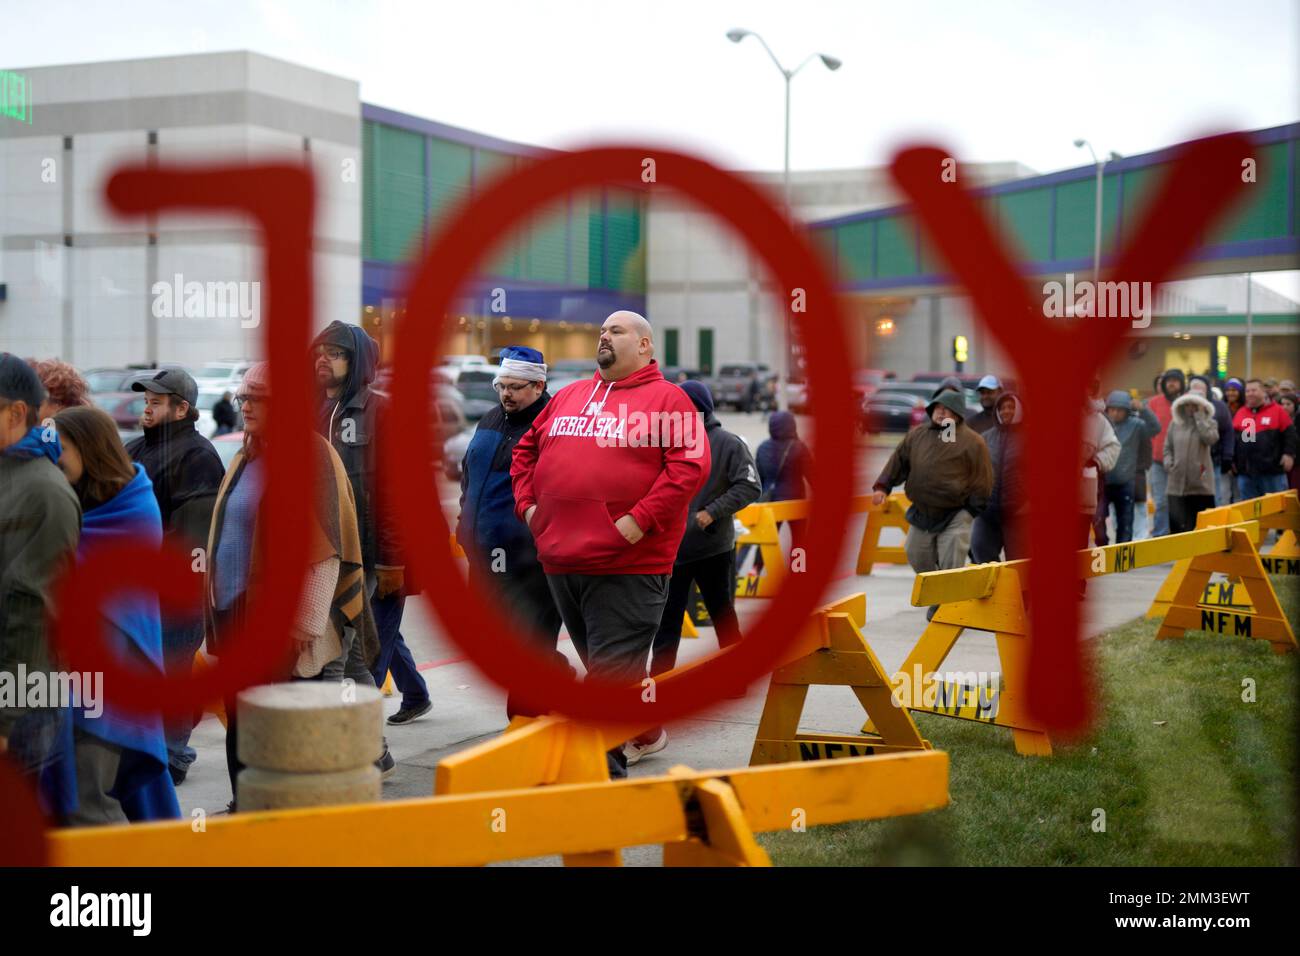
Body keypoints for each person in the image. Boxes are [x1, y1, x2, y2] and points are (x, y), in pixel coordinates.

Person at [511, 311, 709, 778]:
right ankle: (643, 729)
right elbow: (525, 452)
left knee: (607, 679)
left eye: (616, 330)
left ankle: (600, 783)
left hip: (629, 565)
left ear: (644, 346)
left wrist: (637, 522)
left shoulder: (668, 399)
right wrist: (530, 510)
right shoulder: (569, 396)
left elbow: (689, 467)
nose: (604, 335)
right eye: (601, 330)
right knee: (610, 672)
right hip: (561, 559)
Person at [205, 362, 378, 810]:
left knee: (277, 725)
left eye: (255, 397)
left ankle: (282, 817)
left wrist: (304, 627)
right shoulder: (249, 454)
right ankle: (246, 803)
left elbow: (327, 548)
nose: (244, 405)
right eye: (243, 396)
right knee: (241, 719)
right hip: (237, 616)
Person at [45, 406, 180, 825]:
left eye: (61, 449)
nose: (52, 458)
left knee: (91, 808)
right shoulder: (77, 505)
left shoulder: (132, 511)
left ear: (90, 449)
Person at [627, 379, 761, 765]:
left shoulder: (728, 443)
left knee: (722, 614)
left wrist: (711, 512)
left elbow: (751, 486)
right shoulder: (662, 442)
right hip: (668, 552)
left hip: (712, 548)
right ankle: (661, 686)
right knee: (664, 623)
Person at [312, 321, 425, 746]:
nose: (324, 358)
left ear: (356, 360)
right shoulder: (313, 409)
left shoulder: (385, 411)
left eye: (336, 352)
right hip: (328, 550)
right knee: (362, 641)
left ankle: (360, 747)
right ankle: (413, 695)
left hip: (373, 552)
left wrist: (393, 560)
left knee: (362, 651)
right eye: (321, 351)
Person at [123, 367, 225, 785]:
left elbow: (194, 536)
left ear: (182, 408)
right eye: (146, 400)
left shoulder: (197, 456)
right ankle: (149, 748)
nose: (147, 406)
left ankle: (174, 756)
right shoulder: (135, 448)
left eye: (157, 401)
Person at [456, 346, 569, 720]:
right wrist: (463, 523)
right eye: (501, 385)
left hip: (528, 561)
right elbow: (469, 475)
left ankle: (524, 725)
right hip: (483, 553)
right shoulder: (490, 419)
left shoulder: (554, 426)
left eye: (516, 387)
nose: (506, 394)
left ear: (539, 386)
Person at [0, 355, 81, 782]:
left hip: (23, 702)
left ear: (16, 413)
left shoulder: (45, 492)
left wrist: (7, 720)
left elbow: (35, 611)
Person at [872, 391, 993, 617]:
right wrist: (882, 487)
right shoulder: (917, 435)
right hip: (922, 510)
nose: (940, 412)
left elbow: (983, 479)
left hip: (957, 512)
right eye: (937, 408)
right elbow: (898, 461)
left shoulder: (973, 441)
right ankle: (940, 594)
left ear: (957, 414)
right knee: (915, 553)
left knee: (952, 559)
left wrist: (971, 510)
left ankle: (947, 608)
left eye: (946, 409)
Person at [970, 392, 1026, 562]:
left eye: (1011, 407)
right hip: (988, 511)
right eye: (1002, 408)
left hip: (1018, 513)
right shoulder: (986, 438)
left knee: (1019, 563)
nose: (1006, 411)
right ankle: (995, 588)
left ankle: (1019, 590)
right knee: (979, 550)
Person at [1099, 392, 1161, 543]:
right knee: (1099, 519)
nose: (1115, 413)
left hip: (1126, 480)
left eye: (1119, 410)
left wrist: (1143, 409)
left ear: (1127, 410)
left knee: (1125, 521)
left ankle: (1123, 555)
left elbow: (1155, 428)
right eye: (1112, 409)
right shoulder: (1102, 423)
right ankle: (1103, 550)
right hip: (1104, 479)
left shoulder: (1136, 425)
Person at [755, 410, 814, 553]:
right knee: (799, 540)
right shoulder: (799, 447)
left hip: (771, 502)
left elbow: (759, 478)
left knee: (766, 539)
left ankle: (756, 570)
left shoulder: (763, 448)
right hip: (796, 502)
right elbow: (812, 477)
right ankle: (798, 569)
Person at [1163, 392, 1219, 534]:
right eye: (1187, 405)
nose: (1190, 408)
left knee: (1200, 528)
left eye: (1194, 405)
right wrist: (1169, 463)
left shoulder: (1210, 423)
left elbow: (1211, 439)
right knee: (1177, 527)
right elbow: (1167, 447)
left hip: (1201, 484)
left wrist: (1199, 418)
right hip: (1176, 484)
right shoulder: (1175, 425)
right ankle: (1177, 555)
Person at [1233, 378, 1297, 500]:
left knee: (1275, 510)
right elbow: (1239, 440)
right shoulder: (1242, 413)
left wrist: (1289, 454)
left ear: (1263, 392)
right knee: (1248, 513)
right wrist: (1233, 460)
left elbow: (1290, 435)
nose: (1250, 393)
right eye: (1247, 391)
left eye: (1254, 390)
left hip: (1272, 472)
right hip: (1247, 473)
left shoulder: (1277, 411)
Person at [1146, 368, 1185, 536]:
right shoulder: (1154, 403)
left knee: (1179, 501)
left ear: (1181, 384)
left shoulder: (1186, 402)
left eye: (1175, 380)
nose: (1171, 383)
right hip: (1157, 461)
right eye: (1168, 380)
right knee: (1161, 501)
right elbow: (1145, 428)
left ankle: (1177, 535)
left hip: (1181, 462)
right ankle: (1160, 535)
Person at [1188, 375, 1235, 508]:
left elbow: (1228, 432)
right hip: (1190, 462)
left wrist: (1228, 455)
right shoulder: (1183, 408)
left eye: (1201, 390)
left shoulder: (1219, 407)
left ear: (1207, 390)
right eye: (1194, 389)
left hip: (1213, 460)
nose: (1197, 393)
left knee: (1215, 496)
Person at [1080, 399, 1121, 549]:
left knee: (1082, 534)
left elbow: (1113, 446)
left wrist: (1095, 463)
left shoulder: (1098, 420)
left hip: (1086, 488)